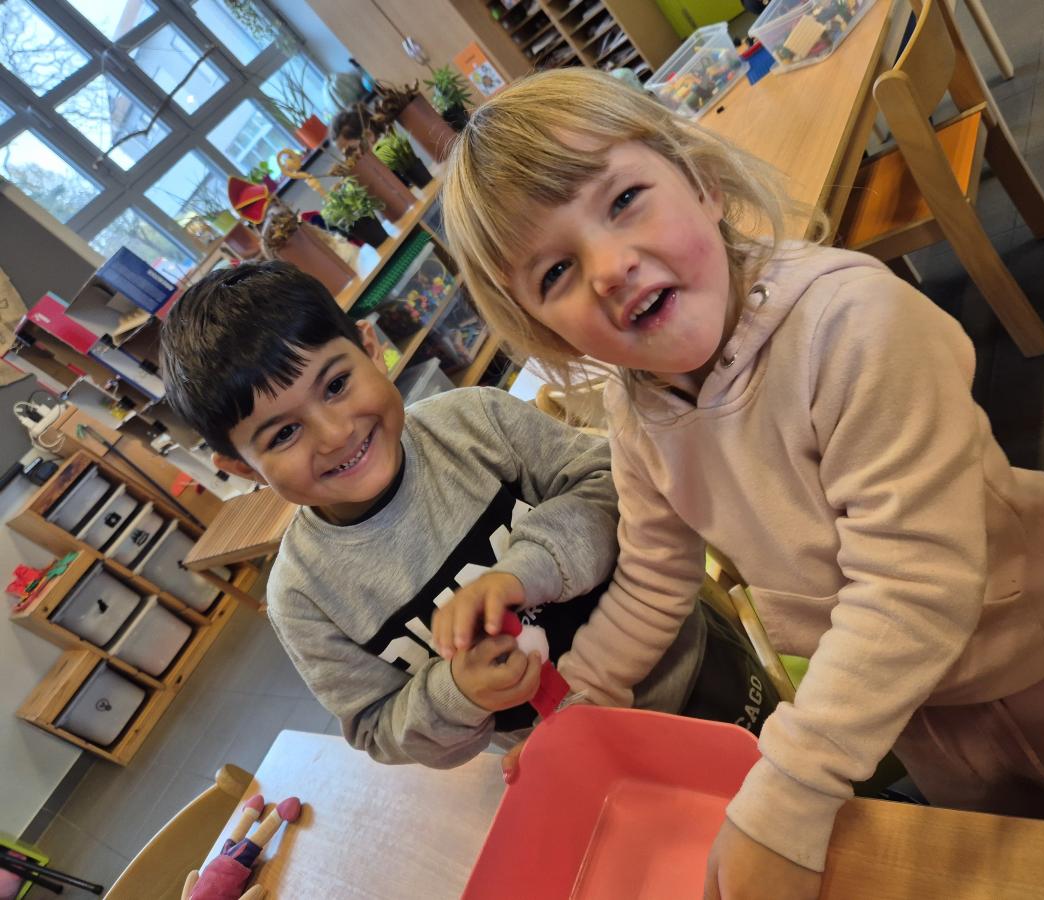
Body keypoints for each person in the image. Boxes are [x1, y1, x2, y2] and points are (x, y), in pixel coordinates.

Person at [441, 69, 1044, 898]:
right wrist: (582, 700)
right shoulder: (637, 413)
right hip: (905, 708)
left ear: (703, 184)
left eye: (623, 201)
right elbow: (653, 579)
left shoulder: (851, 324)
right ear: (548, 331)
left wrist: (790, 789)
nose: (608, 268)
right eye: (555, 274)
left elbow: (912, 584)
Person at [159, 260, 778, 770]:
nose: (334, 433)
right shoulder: (302, 597)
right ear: (242, 468)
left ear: (371, 349)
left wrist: (520, 573)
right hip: (585, 755)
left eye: (336, 385)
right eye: (284, 433)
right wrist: (456, 694)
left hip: (694, 665)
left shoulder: (476, 422)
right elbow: (377, 728)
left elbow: (617, 490)